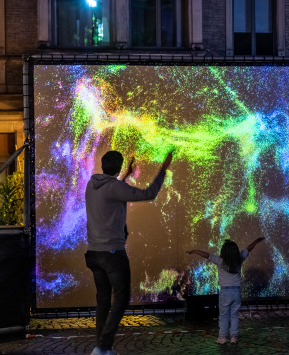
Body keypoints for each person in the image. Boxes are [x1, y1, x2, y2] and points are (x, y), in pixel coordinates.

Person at [85, 150, 173, 355]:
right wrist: (163, 169)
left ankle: (102, 349)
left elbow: (113, 189)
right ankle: (103, 346)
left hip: (94, 253)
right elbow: (148, 194)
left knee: (103, 300)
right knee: (121, 299)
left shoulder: (92, 185)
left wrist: (125, 175)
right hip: (112, 254)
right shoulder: (115, 187)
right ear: (117, 168)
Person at [186, 236, 265, 345]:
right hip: (236, 291)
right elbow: (249, 248)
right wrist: (256, 241)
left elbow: (206, 255)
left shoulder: (219, 261)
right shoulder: (239, 258)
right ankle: (234, 337)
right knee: (234, 315)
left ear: (224, 252)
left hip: (225, 292)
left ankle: (222, 338)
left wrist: (194, 251)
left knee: (224, 315)